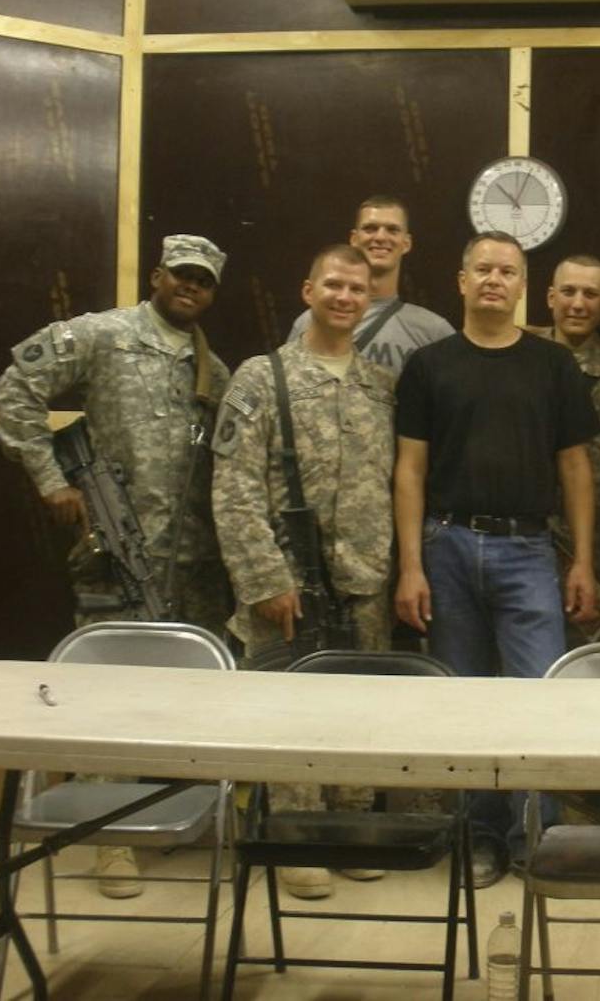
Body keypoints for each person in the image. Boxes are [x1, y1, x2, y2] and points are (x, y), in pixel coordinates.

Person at [0, 233, 232, 899]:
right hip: (116, 554)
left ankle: (172, 816)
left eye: (203, 281)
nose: (190, 286)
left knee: (189, 700)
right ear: (157, 275)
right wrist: (48, 478)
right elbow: (16, 391)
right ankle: (106, 836)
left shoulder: (219, 371)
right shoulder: (101, 335)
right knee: (108, 695)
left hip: (196, 563)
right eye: (181, 274)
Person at [393, 230, 599, 886]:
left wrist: (583, 561)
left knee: (537, 701)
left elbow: (575, 469)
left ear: (521, 287)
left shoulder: (553, 367)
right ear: (460, 280)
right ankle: (481, 836)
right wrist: (410, 566)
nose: (493, 279)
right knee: (469, 704)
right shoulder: (428, 367)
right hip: (446, 547)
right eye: (482, 268)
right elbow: (409, 471)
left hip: (529, 551)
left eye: (506, 271)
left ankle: (535, 836)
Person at [211, 243, 396, 900]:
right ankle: (296, 840)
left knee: (361, 713)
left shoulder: (381, 384)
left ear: (370, 299)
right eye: (334, 285)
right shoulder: (262, 378)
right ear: (308, 290)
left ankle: (350, 830)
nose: (346, 297)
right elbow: (232, 489)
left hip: (364, 581)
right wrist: (264, 579)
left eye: (358, 288)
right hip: (286, 585)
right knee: (291, 715)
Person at [527, 253, 600, 642]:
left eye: (590, 294)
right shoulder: (519, 355)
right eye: (569, 292)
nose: (578, 303)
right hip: (527, 544)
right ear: (550, 297)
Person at [287, 194, 454, 375]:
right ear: (354, 239)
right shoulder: (311, 321)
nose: (381, 237)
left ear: (406, 243)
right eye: (370, 228)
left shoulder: (433, 330)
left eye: (392, 230)